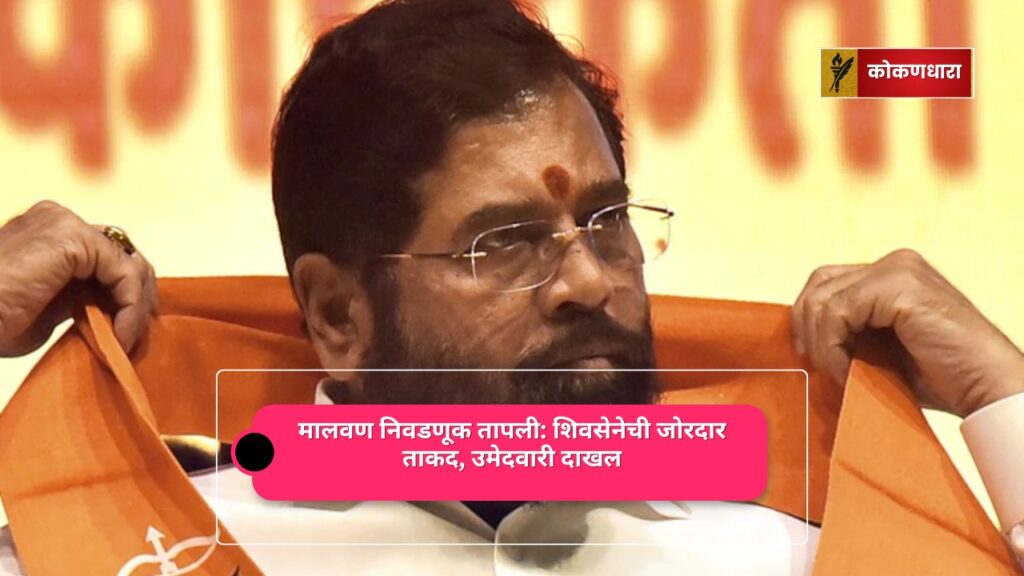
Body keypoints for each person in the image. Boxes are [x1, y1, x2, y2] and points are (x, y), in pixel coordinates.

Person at [0, 0, 1021, 573]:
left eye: (608, 220)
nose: (587, 279)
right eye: (504, 244)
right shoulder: (142, 547)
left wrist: (1001, 394)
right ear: (341, 317)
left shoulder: (787, 558)